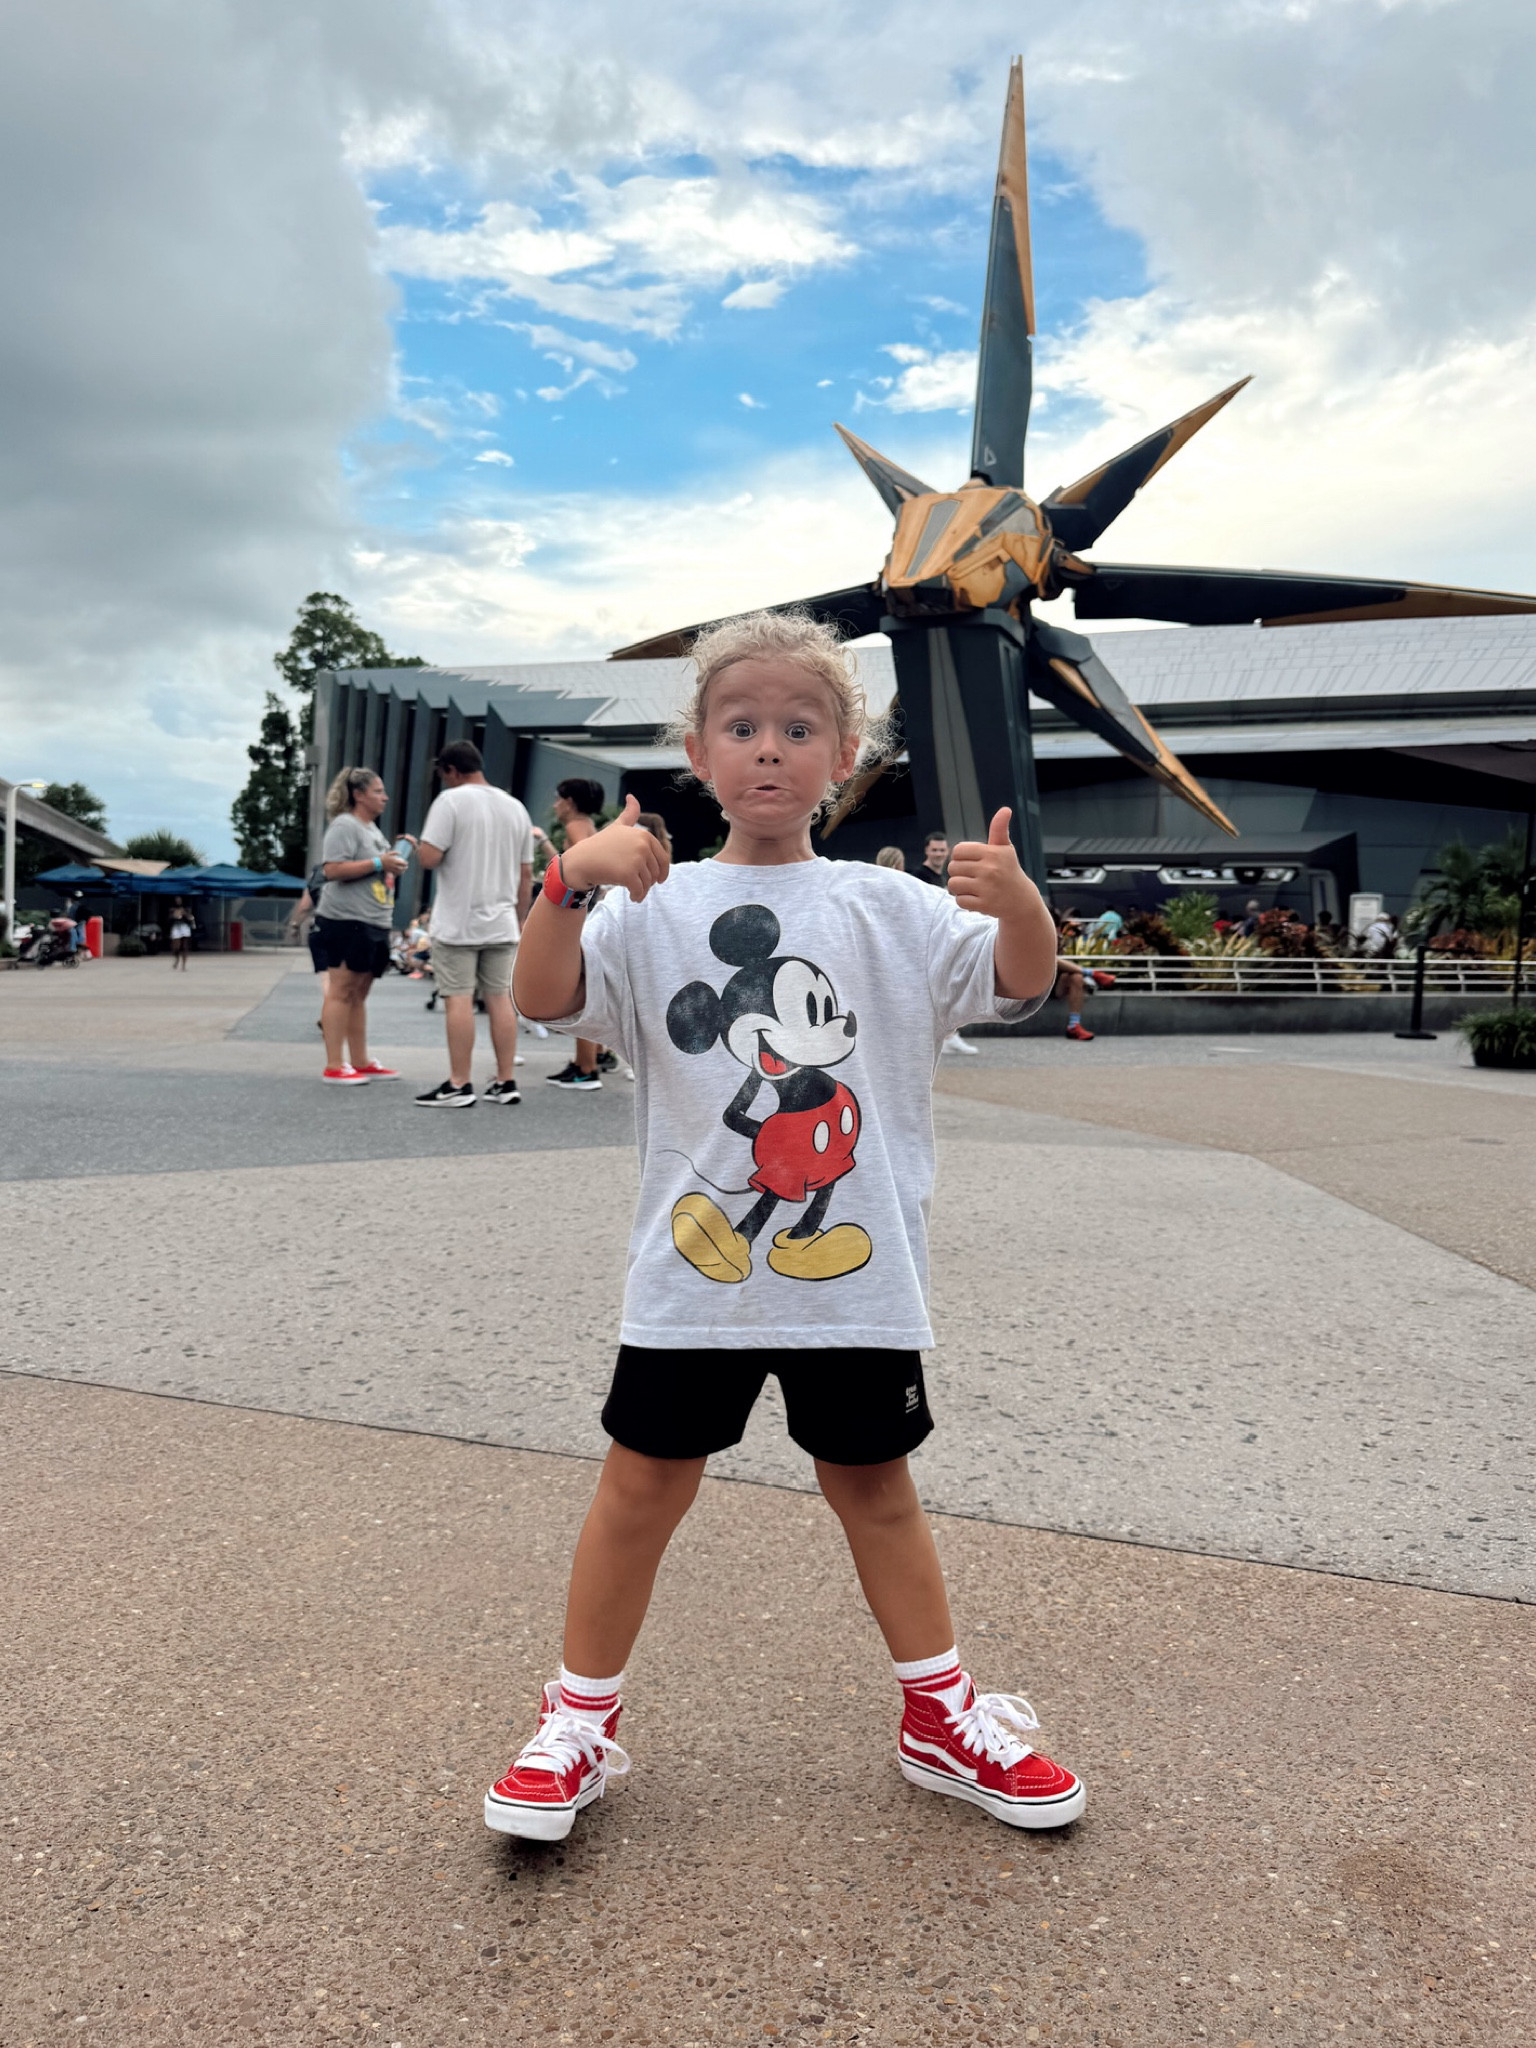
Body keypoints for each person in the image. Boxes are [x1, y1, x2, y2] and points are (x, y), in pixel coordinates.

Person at [488, 608, 1083, 1844]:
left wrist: (1022, 902)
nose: (770, 749)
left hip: (857, 1278)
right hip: (690, 1274)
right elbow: (545, 999)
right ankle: (576, 1722)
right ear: (698, 753)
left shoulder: (887, 906)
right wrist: (563, 882)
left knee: (874, 1482)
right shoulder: (649, 902)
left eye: (800, 727)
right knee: (641, 1483)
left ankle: (939, 1712)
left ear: (844, 750)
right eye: (741, 725)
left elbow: (1021, 979)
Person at [413, 740, 535, 1108]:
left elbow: (430, 857)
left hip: (457, 922)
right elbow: (525, 872)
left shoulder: (449, 802)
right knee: (501, 1001)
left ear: (451, 770)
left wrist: (416, 846)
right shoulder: (515, 807)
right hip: (501, 923)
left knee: (459, 1000)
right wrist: (520, 918)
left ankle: (459, 1083)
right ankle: (505, 1080)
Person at [314, 766, 408, 1084]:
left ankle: (359, 1060)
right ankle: (333, 1064)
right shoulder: (345, 825)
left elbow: (373, 869)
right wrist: (381, 862)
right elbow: (332, 869)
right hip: (345, 920)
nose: (385, 797)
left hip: (373, 919)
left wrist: (392, 859)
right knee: (341, 991)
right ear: (358, 795)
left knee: (357, 994)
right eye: (378, 791)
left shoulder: (372, 830)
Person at [547, 777, 610, 1090]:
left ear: (569, 801)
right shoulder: (588, 824)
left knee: (580, 992)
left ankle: (586, 1067)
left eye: (558, 798)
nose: (555, 805)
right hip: (592, 911)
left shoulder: (574, 828)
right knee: (587, 987)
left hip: (579, 914)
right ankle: (586, 1059)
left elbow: (581, 873)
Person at [168, 899, 193, 971]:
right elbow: (169, 919)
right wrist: (174, 915)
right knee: (176, 947)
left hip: (184, 927)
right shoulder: (172, 909)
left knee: (185, 947)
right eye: (177, 900)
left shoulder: (186, 908)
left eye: (179, 900)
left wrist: (184, 913)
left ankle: (183, 965)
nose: (178, 901)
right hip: (176, 927)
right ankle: (177, 959)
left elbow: (190, 917)